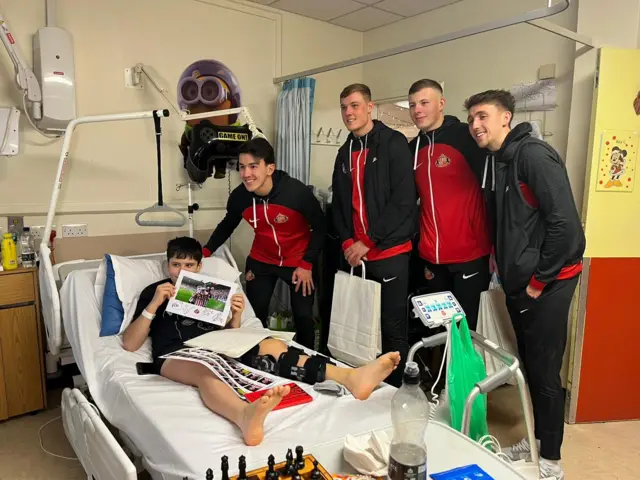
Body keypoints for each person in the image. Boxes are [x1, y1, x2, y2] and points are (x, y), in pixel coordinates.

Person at [123, 237, 401, 446]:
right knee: (206, 371)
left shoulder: (211, 290)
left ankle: (350, 377)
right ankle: (244, 415)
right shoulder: (155, 291)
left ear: (199, 266)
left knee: (273, 346)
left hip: (217, 344)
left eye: (189, 265)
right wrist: (155, 304)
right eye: (176, 265)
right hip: (176, 353)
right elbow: (130, 344)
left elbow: (231, 338)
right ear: (167, 265)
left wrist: (237, 315)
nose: (181, 271)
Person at [465, 90, 585, 480]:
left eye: (482, 116)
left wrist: (538, 282)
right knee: (529, 368)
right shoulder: (500, 161)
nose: (475, 125)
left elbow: (566, 227)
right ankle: (532, 443)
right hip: (521, 285)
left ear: (506, 118)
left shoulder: (532, 155)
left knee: (545, 374)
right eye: (470, 119)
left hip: (547, 285)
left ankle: (550, 460)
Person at [202, 137, 326, 350]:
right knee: (253, 314)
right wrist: (205, 251)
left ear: (270, 168)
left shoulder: (296, 193)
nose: (246, 174)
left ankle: (308, 360)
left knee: (303, 316)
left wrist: (307, 263)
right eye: (242, 167)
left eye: (253, 166)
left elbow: (321, 227)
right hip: (262, 260)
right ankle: (256, 355)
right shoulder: (240, 196)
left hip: (298, 262)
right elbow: (227, 225)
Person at [331, 83, 416, 387]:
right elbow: (339, 205)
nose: (348, 112)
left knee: (392, 328)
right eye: (344, 107)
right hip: (356, 255)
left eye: (354, 105)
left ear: (370, 106)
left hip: (389, 253)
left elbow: (403, 200)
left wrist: (368, 241)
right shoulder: (344, 153)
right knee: (360, 324)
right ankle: (366, 386)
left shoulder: (393, 143)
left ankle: (398, 392)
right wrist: (347, 242)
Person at [407, 79, 492, 331]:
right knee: (438, 330)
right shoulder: (412, 149)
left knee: (466, 330)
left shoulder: (466, 138)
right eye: (412, 105)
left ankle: (468, 373)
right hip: (431, 256)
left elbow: (493, 189)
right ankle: (439, 373)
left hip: (469, 254)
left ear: (441, 104)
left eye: (424, 103)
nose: (417, 110)